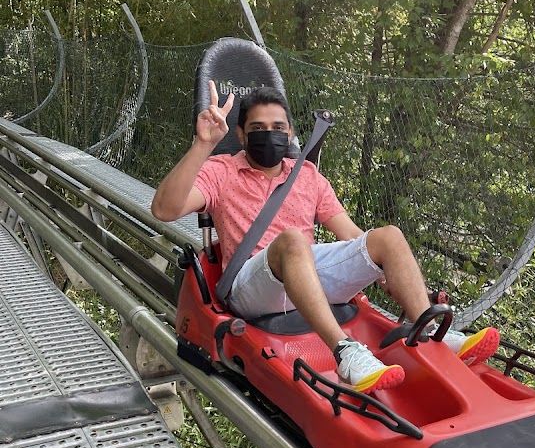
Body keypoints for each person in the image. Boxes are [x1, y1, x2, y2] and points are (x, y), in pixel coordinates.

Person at [152, 82, 499, 394]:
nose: (268, 135)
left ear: (289, 134)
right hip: (250, 286)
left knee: (388, 237)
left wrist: (388, 276)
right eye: (257, 129)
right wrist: (203, 144)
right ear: (242, 135)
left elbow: (351, 237)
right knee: (292, 241)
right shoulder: (222, 170)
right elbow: (165, 210)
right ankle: (346, 352)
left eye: (277, 128)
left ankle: (429, 329)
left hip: (305, 279)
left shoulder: (307, 177)